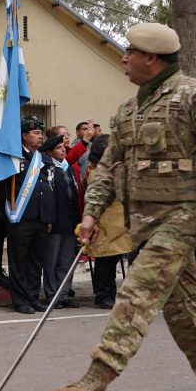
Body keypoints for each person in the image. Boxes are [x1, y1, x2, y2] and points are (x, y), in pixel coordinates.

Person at [61, 22, 196, 391]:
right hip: (144, 225)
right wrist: (92, 213)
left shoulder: (195, 97)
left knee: (137, 290)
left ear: (151, 57)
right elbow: (110, 167)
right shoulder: (129, 108)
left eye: (129, 52)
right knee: (184, 312)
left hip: (180, 220)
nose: (123, 58)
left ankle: (97, 376)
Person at [0, 117, 54, 314]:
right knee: (20, 261)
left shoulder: (42, 158)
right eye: (35, 133)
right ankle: (21, 300)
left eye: (41, 133)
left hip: (40, 217)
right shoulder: (14, 158)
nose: (40, 136)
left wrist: (48, 218)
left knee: (36, 261)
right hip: (21, 217)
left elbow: (47, 188)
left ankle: (33, 297)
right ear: (24, 136)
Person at [84, 133, 129, 310]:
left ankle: (111, 292)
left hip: (119, 224)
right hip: (106, 224)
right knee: (105, 263)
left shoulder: (113, 171)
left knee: (113, 261)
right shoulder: (96, 174)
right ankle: (103, 295)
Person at [43, 133, 82, 309]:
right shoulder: (47, 168)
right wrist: (49, 220)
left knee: (67, 261)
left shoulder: (68, 168)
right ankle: (52, 295)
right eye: (58, 148)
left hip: (70, 222)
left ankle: (64, 295)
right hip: (55, 222)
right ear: (50, 152)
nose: (63, 151)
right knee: (52, 262)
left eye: (63, 148)